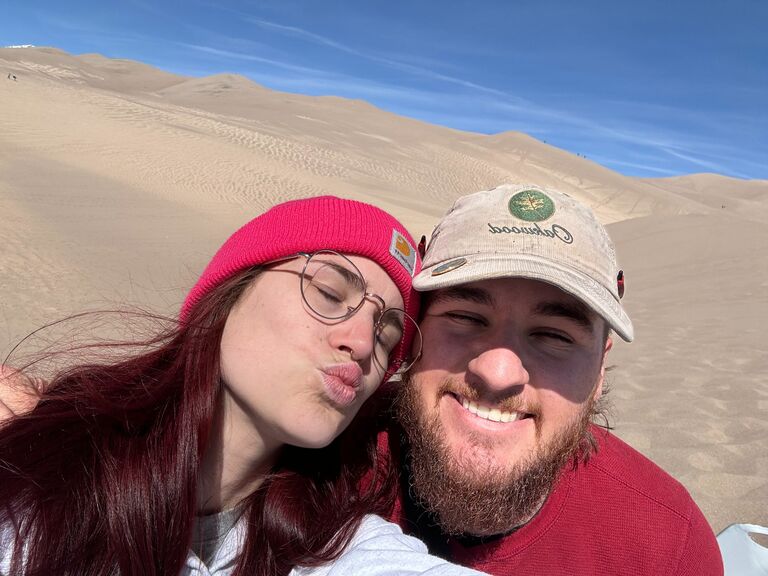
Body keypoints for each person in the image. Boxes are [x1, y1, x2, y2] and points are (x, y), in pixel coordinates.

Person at [0, 195, 486, 576]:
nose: (361, 342)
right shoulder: (36, 483)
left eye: (388, 334)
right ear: (229, 295)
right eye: (329, 293)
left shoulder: (331, 543)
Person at [384, 184, 724, 574]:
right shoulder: (322, 460)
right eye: (465, 317)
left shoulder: (666, 548)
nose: (497, 374)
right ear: (413, 333)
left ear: (600, 369)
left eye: (554, 336)